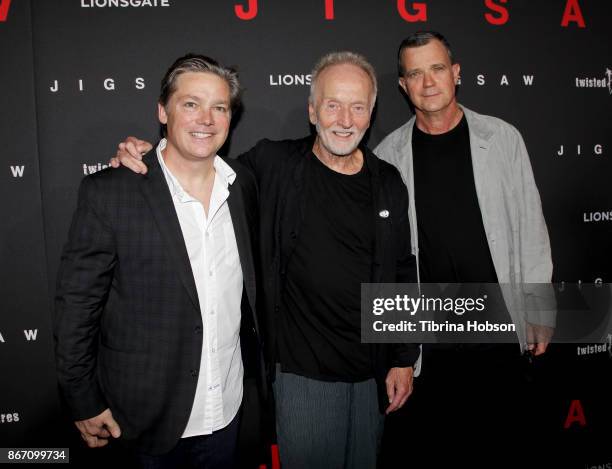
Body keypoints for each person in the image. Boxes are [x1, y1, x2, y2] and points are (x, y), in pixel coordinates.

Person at [111, 51, 419, 469]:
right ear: (312, 111)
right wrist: (144, 157)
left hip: (370, 376)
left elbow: (402, 271)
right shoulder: (271, 165)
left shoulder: (387, 182)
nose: (345, 119)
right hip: (302, 377)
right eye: (332, 105)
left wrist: (403, 357)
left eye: (358, 106)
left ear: (371, 113)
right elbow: (195, 163)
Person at [54, 54, 264, 469]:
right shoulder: (112, 192)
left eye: (219, 107)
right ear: (162, 110)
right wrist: (82, 400)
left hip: (226, 414)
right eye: (191, 104)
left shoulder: (243, 186)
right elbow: (77, 307)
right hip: (144, 422)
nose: (206, 118)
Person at [373, 31, 554, 466]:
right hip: (431, 348)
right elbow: (388, 263)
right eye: (415, 73)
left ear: (456, 73)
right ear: (403, 86)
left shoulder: (503, 138)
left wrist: (541, 309)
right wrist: (400, 351)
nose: (428, 82)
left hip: (499, 334)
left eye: (437, 68)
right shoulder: (386, 157)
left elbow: (531, 226)